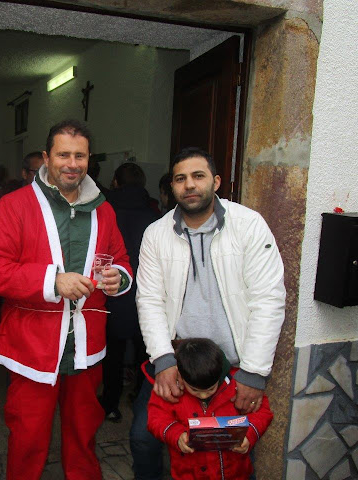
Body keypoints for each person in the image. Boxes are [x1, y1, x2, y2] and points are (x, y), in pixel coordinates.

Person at [0, 119, 133, 480]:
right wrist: (52, 281)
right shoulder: (14, 206)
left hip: (86, 343)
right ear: (47, 158)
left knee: (83, 434)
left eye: (80, 156)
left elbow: (121, 260)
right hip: (31, 343)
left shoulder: (104, 210)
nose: (72, 164)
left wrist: (118, 277)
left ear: (89, 159)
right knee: (28, 437)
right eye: (63, 155)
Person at [130, 147, 286, 480]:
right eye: (180, 178)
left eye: (198, 176)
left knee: (234, 446)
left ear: (215, 182)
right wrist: (163, 360)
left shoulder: (248, 225)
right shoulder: (156, 234)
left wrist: (254, 372)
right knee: (143, 438)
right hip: (176, 362)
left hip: (233, 368)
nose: (189, 185)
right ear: (172, 186)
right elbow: (150, 300)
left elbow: (268, 300)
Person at [147, 338, 273, 480]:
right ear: (181, 377)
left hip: (235, 473)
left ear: (220, 374)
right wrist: (176, 435)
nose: (203, 395)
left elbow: (262, 412)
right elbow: (156, 418)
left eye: (211, 389)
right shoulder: (171, 390)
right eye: (194, 390)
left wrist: (249, 435)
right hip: (189, 474)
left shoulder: (237, 386)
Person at [100, 162, 159, 422]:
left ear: (115, 181)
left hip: (114, 288)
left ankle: (110, 403)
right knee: (145, 351)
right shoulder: (154, 215)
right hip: (146, 290)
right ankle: (141, 400)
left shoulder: (105, 211)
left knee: (112, 352)